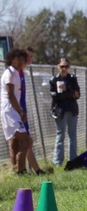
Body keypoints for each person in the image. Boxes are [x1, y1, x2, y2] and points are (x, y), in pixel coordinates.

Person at [19, 47, 51, 175]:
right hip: (16, 114)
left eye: (32, 57)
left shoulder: (24, 73)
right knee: (25, 142)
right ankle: (23, 171)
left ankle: (34, 170)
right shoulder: (16, 73)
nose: (30, 60)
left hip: (23, 113)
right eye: (28, 57)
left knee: (27, 142)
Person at [1, 48, 31, 174]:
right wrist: (21, 112)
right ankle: (20, 164)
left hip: (12, 110)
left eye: (23, 60)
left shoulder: (16, 73)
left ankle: (18, 171)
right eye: (18, 59)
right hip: (9, 111)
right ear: (12, 59)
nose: (21, 62)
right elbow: (10, 95)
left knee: (14, 142)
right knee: (27, 140)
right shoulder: (10, 73)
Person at [50, 58, 80, 166]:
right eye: (62, 66)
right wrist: (69, 93)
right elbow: (55, 96)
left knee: (72, 136)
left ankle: (72, 160)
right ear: (57, 66)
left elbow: (77, 95)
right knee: (60, 135)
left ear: (69, 67)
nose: (64, 69)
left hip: (72, 109)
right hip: (60, 110)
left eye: (66, 66)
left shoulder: (72, 78)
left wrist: (68, 92)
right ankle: (57, 161)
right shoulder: (54, 80)